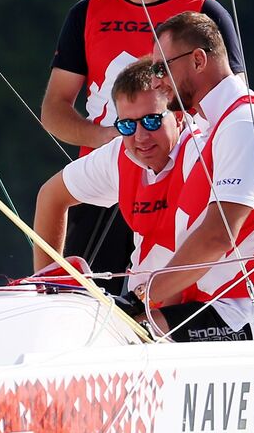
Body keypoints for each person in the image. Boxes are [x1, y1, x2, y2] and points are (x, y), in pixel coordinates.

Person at [41, 0, 245, 291]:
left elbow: (232, 108)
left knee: (162, 308)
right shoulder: (86, 13)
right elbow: (54, 110)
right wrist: (114, 140)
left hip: (180, 191)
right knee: (80, 308)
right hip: (102, 185)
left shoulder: (203, 12)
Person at [137, 11, 254, 342]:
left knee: (125, 338)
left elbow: (218, 236)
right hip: (217, 310)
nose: (156, 80)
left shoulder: (246, 124)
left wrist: (140, 299)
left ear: (198, 60)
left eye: (161, 68)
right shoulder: (210, 128)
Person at [31, 56, 199, 308]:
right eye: (127, 125)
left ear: (178, 116)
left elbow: (204, 250)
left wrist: (141, 309)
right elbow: (51, 196)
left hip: (200, 309)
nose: (140, 136)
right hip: (144, 309)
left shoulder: (202, 154)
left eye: (152, 120)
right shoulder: (120, 153)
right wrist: (48, 290)